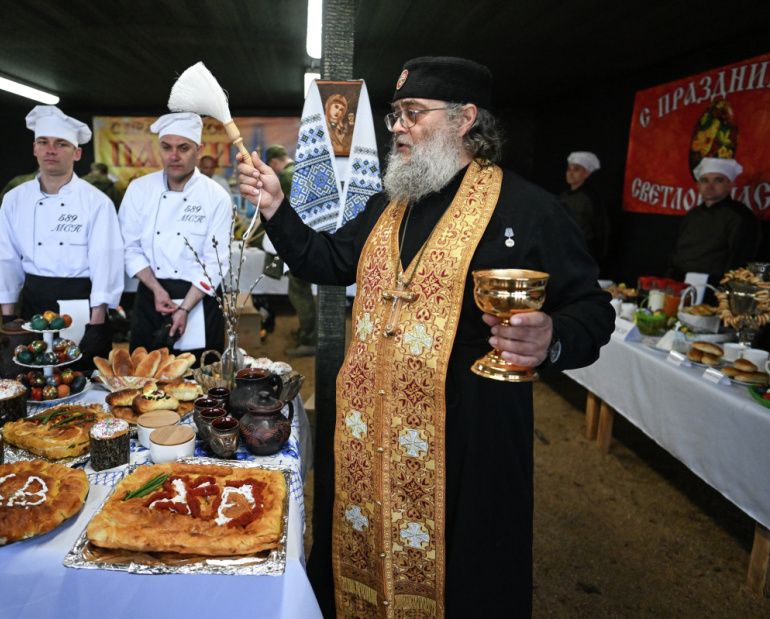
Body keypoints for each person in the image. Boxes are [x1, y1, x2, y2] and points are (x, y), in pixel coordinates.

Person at [236, 56, 615, 618]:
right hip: (372, 432)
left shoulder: (530, 210)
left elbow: (593, 308)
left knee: (467, 576)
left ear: (466, 119)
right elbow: (327, 259)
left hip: (470, 436)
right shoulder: (389, 205)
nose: (397, 127)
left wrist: (553, 337)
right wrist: (274, 206)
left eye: (413, 113)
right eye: (394, 116)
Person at [0, 105, 124, 370]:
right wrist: (8, 320)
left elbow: (106, 263)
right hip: (34, 302)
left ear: (77, 152)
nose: (51, 150)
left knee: (80, 378)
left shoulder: (97, 202)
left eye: (61, 144)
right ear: (35, 148)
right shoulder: (16, 199)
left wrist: (96, 324)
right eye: (43, 142)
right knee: (33, 377)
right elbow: (5, 257)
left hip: (82, 306)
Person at [118, 113, 232, 359]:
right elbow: (130, 247)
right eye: (167, 147)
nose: (174, 156)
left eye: (183, 148)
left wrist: (184, 308)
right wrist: (157, 291)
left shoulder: (216, 196)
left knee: (201, 382)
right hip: (151, 295)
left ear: (199, 150)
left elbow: (216, 262)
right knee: (144, 377)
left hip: (200, 299)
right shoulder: (139, 190)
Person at [668, 157, 760, 284]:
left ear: (730, 184)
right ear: (698, 185)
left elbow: (739, 262)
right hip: (679, 283)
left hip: (714, 288)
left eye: (718, 180)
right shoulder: (692, 215)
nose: (710, 186)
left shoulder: (740, 216)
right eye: (705, 180)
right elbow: (676, 255)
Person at [264, 144, 317, 357]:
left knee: (299, 292)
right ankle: (308, 331)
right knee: (303, 290)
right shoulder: (299, 169)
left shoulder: (286, 176)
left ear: (274, 162)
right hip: (309, 238)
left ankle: (309, 339)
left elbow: (283, 212)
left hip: (295, 240)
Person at [560, 151, 607, 263]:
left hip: (584, 249)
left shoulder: (590, 197)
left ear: (586, 173)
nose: (571, 173)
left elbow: (601, 226)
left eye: (576, 170)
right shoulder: (563, 196)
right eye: (569, 169)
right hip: (564, 247)